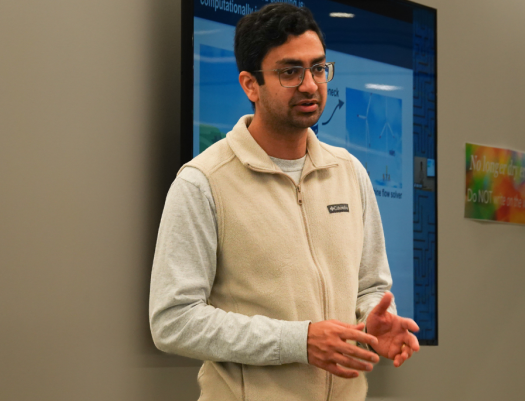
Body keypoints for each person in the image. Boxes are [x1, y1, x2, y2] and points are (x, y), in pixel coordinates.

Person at [149, 4, 420, 401]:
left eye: (318, 68)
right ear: (250, 84)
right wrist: (301, 341)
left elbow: (371, 286)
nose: (310, 85)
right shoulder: (203, 182)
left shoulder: (350, 172)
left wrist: (377, 321)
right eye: (290, 72)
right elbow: (173, 320)